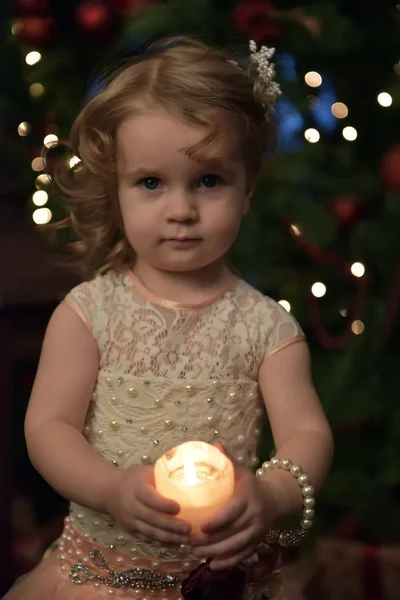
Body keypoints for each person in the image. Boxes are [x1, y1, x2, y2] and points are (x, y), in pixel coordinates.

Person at [4, 36, 333, 600]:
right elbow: (47, 428)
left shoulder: (267, 327)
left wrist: (273, 495)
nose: (181, 210)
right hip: (97, 580)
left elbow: (306, 432)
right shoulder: (89, 315)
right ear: (118, 191)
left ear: (247, 186)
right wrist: (109, 489)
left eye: (209, 181)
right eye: (151, 183)